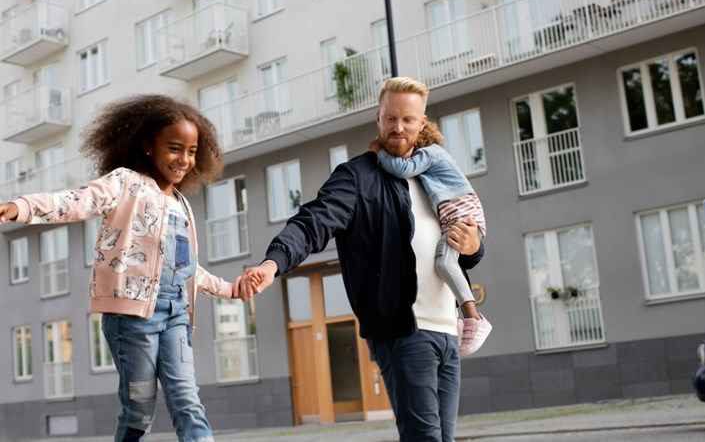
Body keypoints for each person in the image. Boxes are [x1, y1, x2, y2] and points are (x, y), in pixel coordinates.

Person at [239, 77, 484, 442]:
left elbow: (461, 253)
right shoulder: (357, 177)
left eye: (407, 120)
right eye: (390, 119)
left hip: (447, 329)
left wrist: (473, 245)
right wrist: (273, 262)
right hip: (405, 331)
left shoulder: (433, 175)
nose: (398, 128)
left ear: (422, 122)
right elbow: (312, 223)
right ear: (378, 118)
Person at [0, 94, 239, 442]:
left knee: (188, 401)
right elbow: (74, 202)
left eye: (191, 151)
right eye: (174, 148)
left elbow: (187, 269)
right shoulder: (125, 183)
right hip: (132, 318)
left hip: (176, 314)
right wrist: (20, 206)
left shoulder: (181, 205)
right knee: (139, 408)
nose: (184, 159)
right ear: (147, 145)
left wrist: (230, 289)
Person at [367, 121, 492, 356]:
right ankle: (456, 318)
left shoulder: (431, 154)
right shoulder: (430, 168)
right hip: (456, 215)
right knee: (444, 261)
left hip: (461, 214)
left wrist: (379, 152)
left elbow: (403, 169)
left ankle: (474, 318)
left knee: (444, 262)